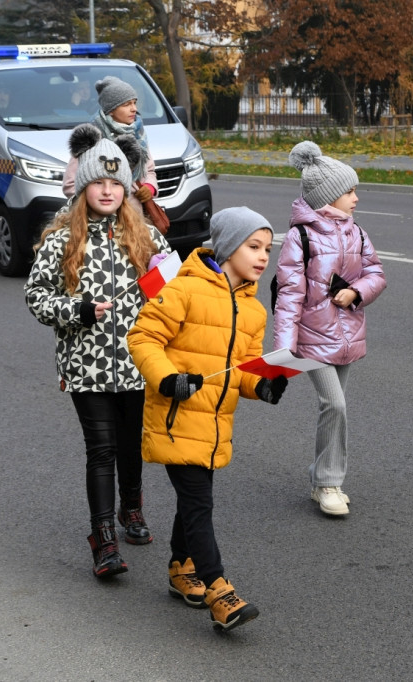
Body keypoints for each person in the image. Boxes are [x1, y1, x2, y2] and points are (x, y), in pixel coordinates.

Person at [127, 206, 287, 631]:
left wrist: (263, 385)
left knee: (194, 501)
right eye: (254, 246)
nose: (262, 256)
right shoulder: (186, 290)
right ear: (229, 246)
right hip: (177, 417)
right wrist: (167, 380)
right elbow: (142, 337)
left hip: (215, 425)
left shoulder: (253, 310)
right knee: (199, 504)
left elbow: (244, 367)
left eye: (267, 249)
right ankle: (219, 589)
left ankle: (182, 568)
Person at [25, 124, 171, 577]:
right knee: (101, 447)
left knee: (130, 444)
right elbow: (36, 296)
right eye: (98, 183)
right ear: (84, 185)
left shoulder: (144, 235)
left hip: (134, 361)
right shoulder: (63, 239)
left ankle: (132, 510)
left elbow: (174, 284)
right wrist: (77, 311)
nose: (107, 191)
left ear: (126, 189)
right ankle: (103, 538)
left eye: (115, 184)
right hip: (84, 363)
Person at [273, 141, 387, 517]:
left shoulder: (357, 232)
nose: (356, 197)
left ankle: (321, 476)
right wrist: (283, 352)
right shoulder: (300, 237)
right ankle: (328, 483)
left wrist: (356, 292)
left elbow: (376, 274)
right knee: (333, 404)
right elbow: (288, 296)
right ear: (328, 196)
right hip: (310, 338)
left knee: (333, 410)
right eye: (349, 191)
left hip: (346, 335)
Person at [63, 76, 159, 224]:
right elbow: (70, 185)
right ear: (111, 110)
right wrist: (103, 204)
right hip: (98, 225)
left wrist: (149, 187)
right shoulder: (90, 138)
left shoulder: (138, 134)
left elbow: (150, 171)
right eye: (127, 104)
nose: (134, 109)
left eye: (134, 103)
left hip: (134, 221)